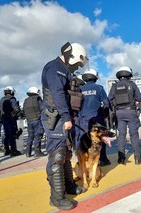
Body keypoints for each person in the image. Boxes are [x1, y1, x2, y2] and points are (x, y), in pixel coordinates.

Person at [41, 42, 88, 210]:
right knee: (57, 156)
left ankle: (68, 187)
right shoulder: (55, 68)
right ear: (72, 56)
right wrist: (67, 117)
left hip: (63, 117)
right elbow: (58, 94)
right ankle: (57, 197)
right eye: (77, 64)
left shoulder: (64, 70)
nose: (77, 68)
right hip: (56, 118)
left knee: (66, 154)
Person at [108, 66, 141, 165]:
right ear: (129, 74)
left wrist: (113, 108)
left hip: (119, 113)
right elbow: (139, 98)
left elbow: (109, 99)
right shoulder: (132, 84)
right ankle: (137, 158)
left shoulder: (114, 86)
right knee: (134, 135)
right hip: (131, 112)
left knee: (121, 135)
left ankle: (121, 158)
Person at [78, 68, 111, 166]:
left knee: (85, 139)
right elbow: (106, 103)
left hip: (84, 119)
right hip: (97, 117)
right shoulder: (99, 88)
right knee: (101, 138)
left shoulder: (80, 89)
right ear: (95, 77)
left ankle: (85, 161)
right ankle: (103, 159)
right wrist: (105, 115)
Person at [23, 86, 46, 158]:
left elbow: (24, 111)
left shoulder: (26, 100)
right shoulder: (37, 99)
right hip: (37, 120)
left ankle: (28, 152)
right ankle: (37, 152)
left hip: (29, 121)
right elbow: (43, 109)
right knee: (37, 136)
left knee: (30, 136)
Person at [0, 86, 22, 157]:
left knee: (6, 135)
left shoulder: (2, 99)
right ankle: (13, 150)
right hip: (11, 119)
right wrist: (19, 113)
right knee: (12, 135)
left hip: (4, 119)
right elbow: (16, 109)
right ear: (12, 92)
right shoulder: (12, 99)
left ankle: (6, 150)